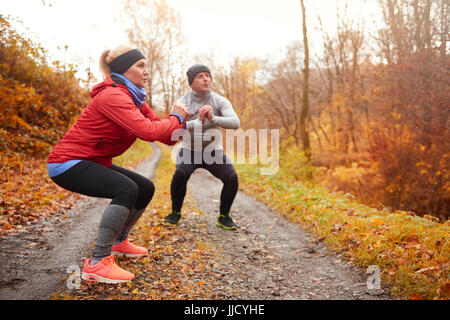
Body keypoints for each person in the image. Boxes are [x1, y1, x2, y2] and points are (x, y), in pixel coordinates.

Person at [47, 45, 189, 284]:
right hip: (68, 163)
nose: (146, 72)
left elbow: (166, 136)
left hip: (93, 161)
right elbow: (147, 130)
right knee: (126, 189)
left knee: (144, 187)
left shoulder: (135, 99)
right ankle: (97, 263)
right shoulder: (112, 96)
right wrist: (176, 117)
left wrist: (184, 120)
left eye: (146, 66)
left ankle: (119, 242)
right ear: (125, 69)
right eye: (140, 66)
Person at [164, 64, 240, 230]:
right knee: (180, 174)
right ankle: (175, 212)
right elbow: (173, 131)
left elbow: (236, 123)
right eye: (200, 76)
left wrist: (214, 119)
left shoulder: (219, 100)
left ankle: (224, 216)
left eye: (207, 75)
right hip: (189, 150)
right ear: (191, 83)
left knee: (232, 178)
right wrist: (198, 122)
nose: (206, 79)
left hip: (213, 151)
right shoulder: (182, 103)